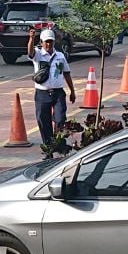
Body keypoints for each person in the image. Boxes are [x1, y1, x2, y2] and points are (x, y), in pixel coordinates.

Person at [28, 28, 76, 158]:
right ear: (42, 42)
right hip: (42, 94)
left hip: (58, 93)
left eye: (51, 42)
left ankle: (58, 144)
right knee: (43, 122)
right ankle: (48, 149)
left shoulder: (60, 56)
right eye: (46, 42)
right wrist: (31, 39)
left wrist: (72, 91)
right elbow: (30, 52)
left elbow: (66, 73)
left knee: (60, 119)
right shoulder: (38, 55)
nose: (49, 44)